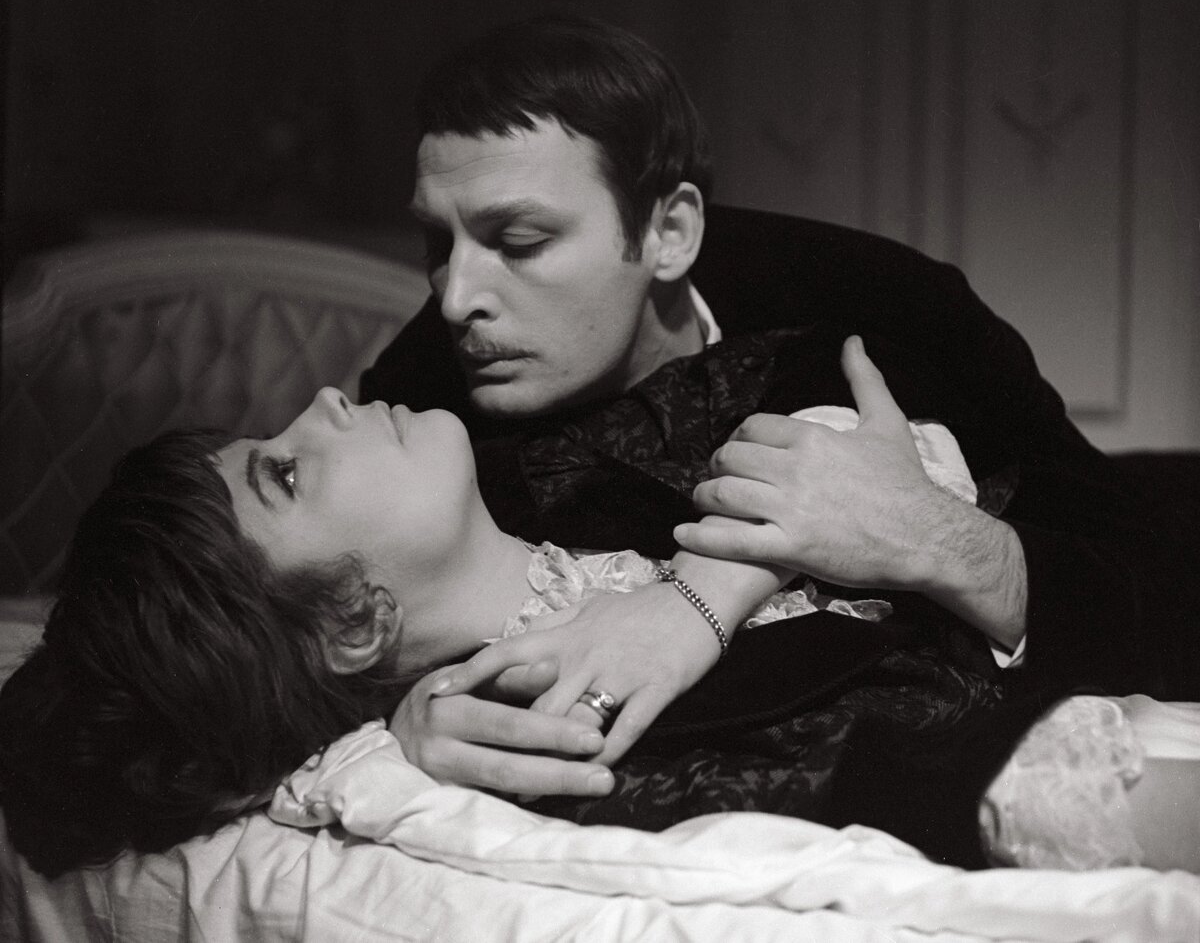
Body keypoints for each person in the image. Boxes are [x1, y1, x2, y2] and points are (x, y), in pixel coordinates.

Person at [359, 14, 1195, 798]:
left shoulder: (887, 305)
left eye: (520, 242)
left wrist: (937, 538)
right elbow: (312, 617)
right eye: (438, 242)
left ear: (669, 234)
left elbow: (1156, 592)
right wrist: (395, 723)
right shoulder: (420, 393)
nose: (456, 296)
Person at [2, 389, 1196, 879]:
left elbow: (828, 422)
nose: (320, 402)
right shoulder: (552, 726)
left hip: (1115, 535)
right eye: (284, 473)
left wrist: (699, 594)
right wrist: (372, 753)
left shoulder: (555, 466)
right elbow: (932, 763)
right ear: (356, 625)